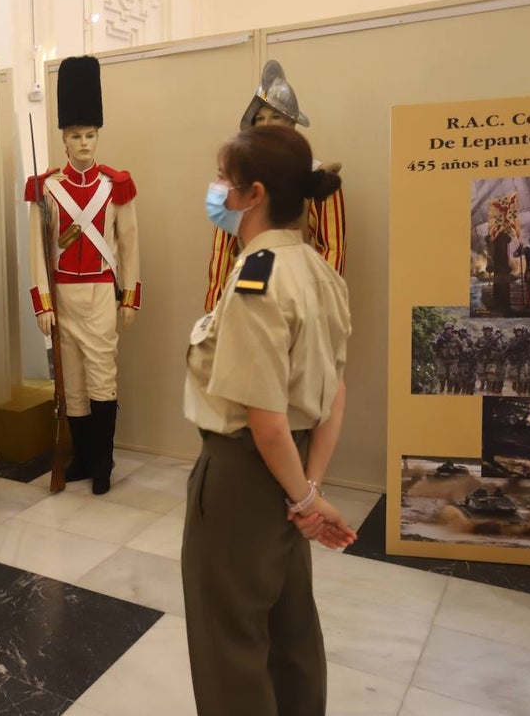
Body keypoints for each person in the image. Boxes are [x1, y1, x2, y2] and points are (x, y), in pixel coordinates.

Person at [183, 123, 356, 716]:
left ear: (254, 194)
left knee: (228, 640)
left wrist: (305, 501)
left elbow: (265, 422)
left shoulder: (257, 280)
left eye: (226, 184)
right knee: (291, 632)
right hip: (294, 471)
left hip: (246, 478)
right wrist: (310, 487)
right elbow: (333, 397)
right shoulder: (320, 271)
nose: (219, 195)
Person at [25, 55, 141, 495]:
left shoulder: (116, 185)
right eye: (76, 135)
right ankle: (82, 458)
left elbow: (130, 244)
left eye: (90, 134)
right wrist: (42, 302)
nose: (85, 143)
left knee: (101, 376)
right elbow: (37, 249)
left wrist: (129, 296)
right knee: (71, 380)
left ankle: (103, 461)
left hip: (99, 293)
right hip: (63, 295)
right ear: (63, 139)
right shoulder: (46, 187)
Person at [203, 60, 345, 313]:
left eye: (276, 117)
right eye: (260, 118)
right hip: (248, 279)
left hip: (295, 285)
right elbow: (222, 249)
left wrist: (320, 302)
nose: (267, 125)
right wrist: (216, 306)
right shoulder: (239, 181)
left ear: (291, 124)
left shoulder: (318, 176)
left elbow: (332, 247)